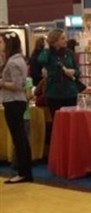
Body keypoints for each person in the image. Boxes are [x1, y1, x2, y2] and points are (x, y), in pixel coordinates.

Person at [1, 31, 33, 184]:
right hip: (17, 102)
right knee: (21, 138)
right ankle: (26, 171)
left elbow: (17, 85)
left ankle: (23, 172)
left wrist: (1, 83)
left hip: (13, 101)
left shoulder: (13, 62)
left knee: (18, 137)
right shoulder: (19, 60)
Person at [38, 29, 80, 121]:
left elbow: (78, 71)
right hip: (54, 93)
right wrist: (46, 47)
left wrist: (73, 71)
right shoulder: (48, 54)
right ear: (54, 41)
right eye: (62, 38)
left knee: (71, 120)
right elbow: (41, 60)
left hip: (70, 92)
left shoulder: (69, 53)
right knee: (57, 121)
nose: (65, 40)